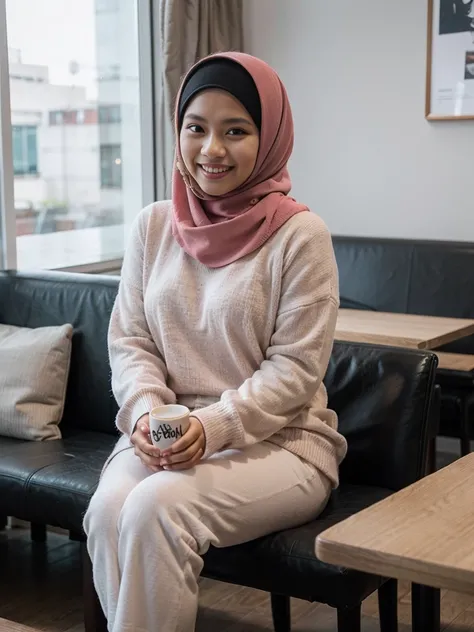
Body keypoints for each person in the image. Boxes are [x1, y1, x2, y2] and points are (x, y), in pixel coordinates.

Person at [84, 51, 347, 632]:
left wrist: (216, 428)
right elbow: (129, 339)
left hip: (284, 445)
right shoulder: (153, 226)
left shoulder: (300, 236)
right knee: (106, 511)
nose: (211, 150)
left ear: (271, 138)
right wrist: (148, 415)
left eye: (236, 131)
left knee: (156, 510)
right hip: (168, 435)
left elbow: (295, 372)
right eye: (195, 128)